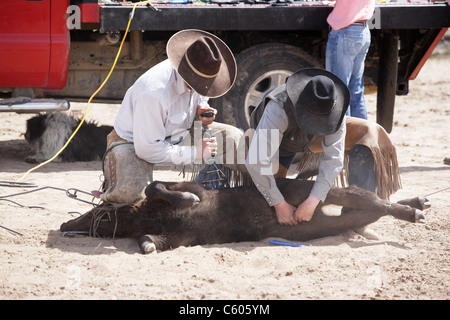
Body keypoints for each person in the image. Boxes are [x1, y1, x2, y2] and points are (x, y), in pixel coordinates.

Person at [102, 29, 246, 203]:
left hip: (178, 132)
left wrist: (202, 109)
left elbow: (201, 95)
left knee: (233, 137)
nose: (204, 87)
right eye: (199, 84)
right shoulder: (153, 92)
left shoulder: (199, 71)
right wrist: (196, 152)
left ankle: (210, 192)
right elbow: (147, 149)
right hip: (134, 142)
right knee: (132, 196)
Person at [245, 68, 349, 225]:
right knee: (262, 196)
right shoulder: (278, 108)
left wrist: (314, 200)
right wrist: (279, 204)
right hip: (268, 136)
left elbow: (334, 159)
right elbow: (256, 160)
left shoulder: (337, 113)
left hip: (299, 141)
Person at [325, 0, 375, 119]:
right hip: (363, 30)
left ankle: (344, 135)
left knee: (339, 90)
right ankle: (362, 134)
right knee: (356, 89)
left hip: (346, 31)